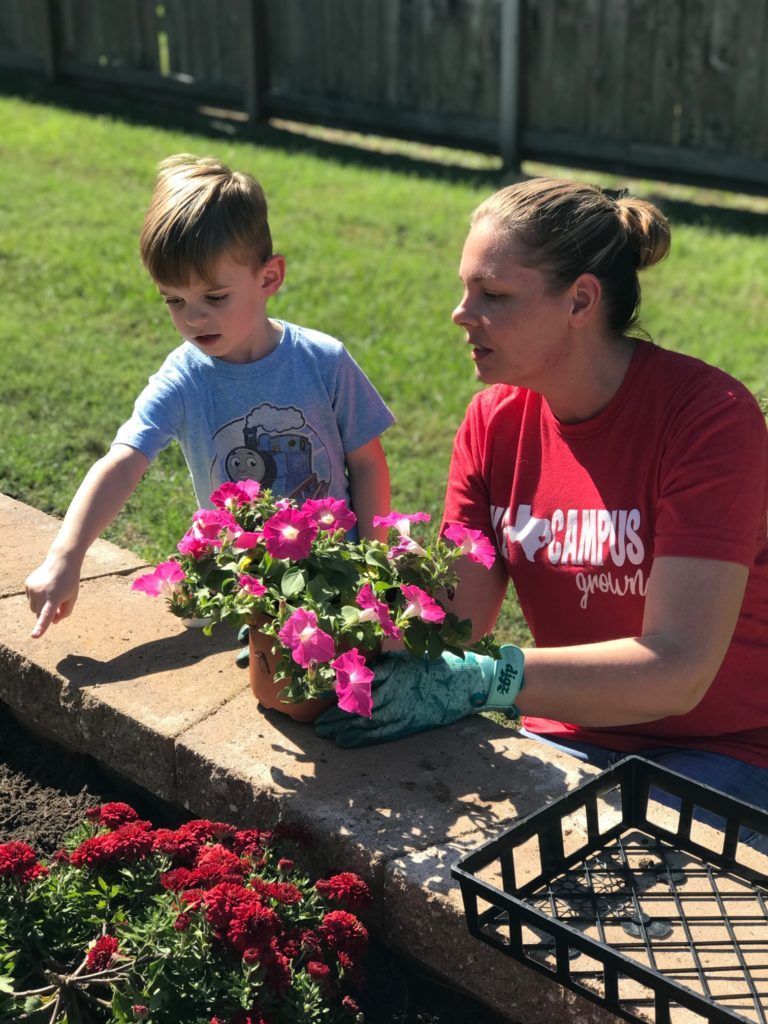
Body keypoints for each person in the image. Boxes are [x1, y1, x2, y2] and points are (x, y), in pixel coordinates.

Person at [316, 177, 768, 844]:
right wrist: (325, 627)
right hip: (568, 734)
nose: (460, 313)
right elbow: (456, 618)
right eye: (468, 288)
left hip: (725, 752)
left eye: (494, 295)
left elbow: (677, 670)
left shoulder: (708, 418)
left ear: (581, 299)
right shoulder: (494, 421)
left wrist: (491, 679)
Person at [25, 154, 394, 639]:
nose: (193, 319)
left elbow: (367, 465)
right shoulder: (183, 379)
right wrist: (65, 557)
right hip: (241, 584)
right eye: (174, 301)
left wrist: (373, 569)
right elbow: (123, 461)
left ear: (269, 278)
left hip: (332, 575)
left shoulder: (323, 361)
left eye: (214, 298)